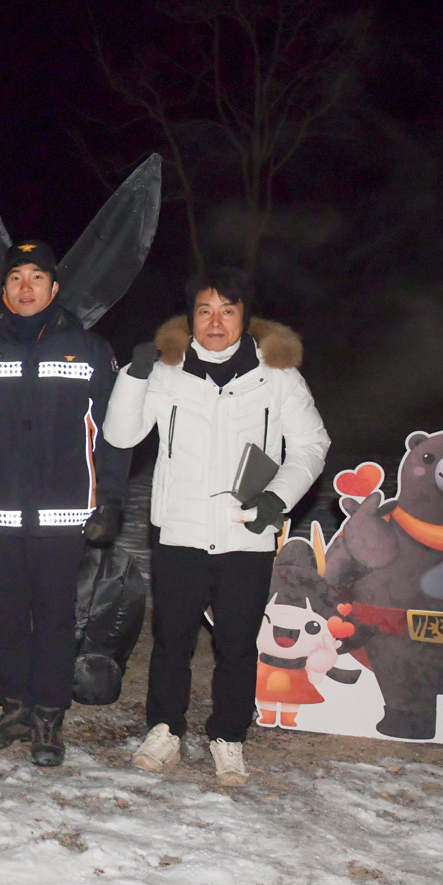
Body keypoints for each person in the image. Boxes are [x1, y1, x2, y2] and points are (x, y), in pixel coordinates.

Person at [103, 266, 329, 786]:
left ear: (244, 317)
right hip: (180, 528)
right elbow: (120, 435)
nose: (215, 321)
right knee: (172, 639)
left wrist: (277, 498)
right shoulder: (167, 371)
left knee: (237, 642)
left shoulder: (276, 376)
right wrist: (134, 375)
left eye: (227, 310)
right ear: (190, 316)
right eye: (204, 310)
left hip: (244, 530)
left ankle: (229, 736)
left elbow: (312, 444)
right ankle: (165, 729)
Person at [0, 241, 128, 766]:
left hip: (62, 513)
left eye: (36, 277)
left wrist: (110, 499)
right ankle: (16, 708)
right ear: (4, 288)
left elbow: (113, 433)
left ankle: (48, 717)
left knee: (56, 618)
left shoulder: (89, 349)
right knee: (6, 617)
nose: (25, 286)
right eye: (16, 277)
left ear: (55, 288)